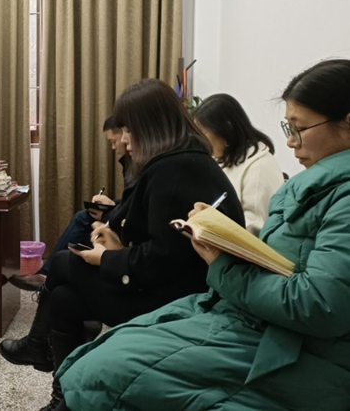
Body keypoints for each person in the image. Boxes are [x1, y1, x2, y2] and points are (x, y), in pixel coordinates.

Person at [56, 59, 350, 411]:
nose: (290, 141)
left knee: (101, 363)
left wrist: (224, 261)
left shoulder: (179, 167)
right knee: (91, 340)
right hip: (251, 314)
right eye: (289, 127)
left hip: (284, 338)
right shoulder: (313, 185)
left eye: (299, 128)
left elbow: (319, 304)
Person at [0, 79, 245, 411]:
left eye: (128, 130)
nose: (125, 139)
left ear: (149, 127)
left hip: (181, 300)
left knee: (62, 264)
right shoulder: (179, 161)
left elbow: (161, 260)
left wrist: (108, 259)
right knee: (64, 296)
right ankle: (64, 397)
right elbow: (163, 243)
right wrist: (117, 244)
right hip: (170, 285)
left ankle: (38, 347)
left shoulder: (175, 169)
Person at [8, 115, 131, 292]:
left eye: (114, 141)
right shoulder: (130, 161)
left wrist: (107, 213)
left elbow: (133, 211)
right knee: (83, 221)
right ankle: (49, 275)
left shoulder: (140, 163)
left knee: (82, 219)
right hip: (121, 217)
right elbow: (129, 201)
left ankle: (47, 274)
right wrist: (113, 203)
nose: (114, 147)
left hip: (126, 227)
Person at [194, 93, 285, 235]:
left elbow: (255, 229)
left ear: (227, 129)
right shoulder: (223, 159)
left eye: (203, 134)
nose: (201, 142)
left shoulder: (259, 167)